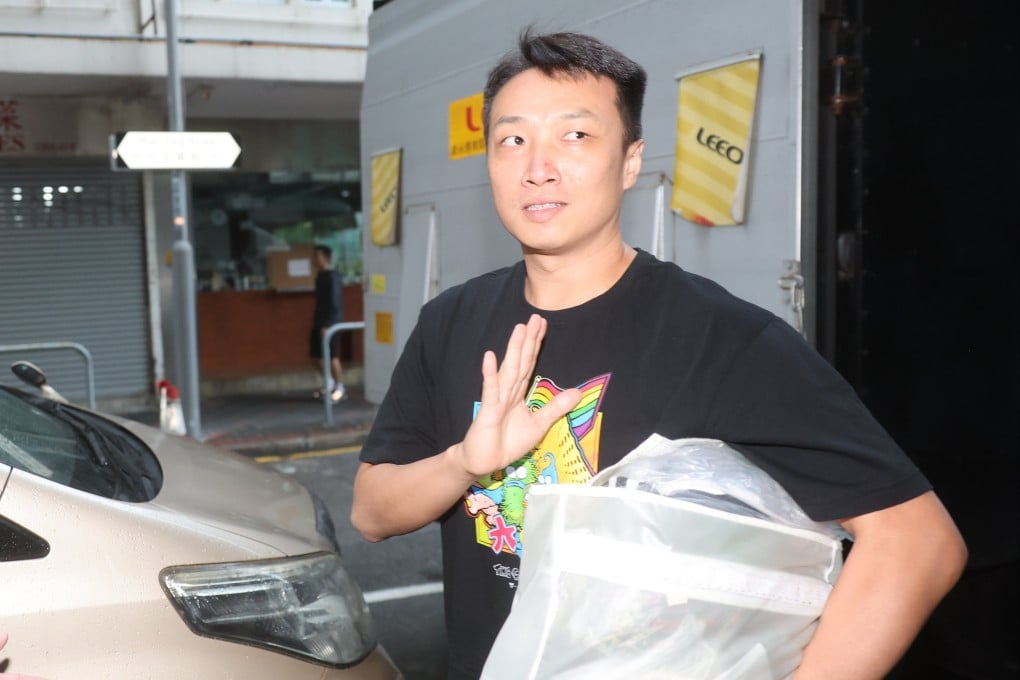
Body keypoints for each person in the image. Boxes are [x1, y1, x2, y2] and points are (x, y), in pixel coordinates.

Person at [352, 30, 967, 679]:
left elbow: (916, 543)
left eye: (575, 135)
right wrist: (462, 463)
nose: (539, 166)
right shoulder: (451, 322)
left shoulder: (722, 340)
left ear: (629, 160)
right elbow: (370, 511)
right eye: (513, 139)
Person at [308, 244, 346, 402]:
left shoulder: (333, 276)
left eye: (317, 256)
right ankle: (329, 383)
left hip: (331, 323)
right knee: (315, 355)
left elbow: (335, 302)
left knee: (332, 356)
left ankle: (340, 387)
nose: (314, 260)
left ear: (325, 257)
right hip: (318, 321)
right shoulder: (320, 275)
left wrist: (328, 324)